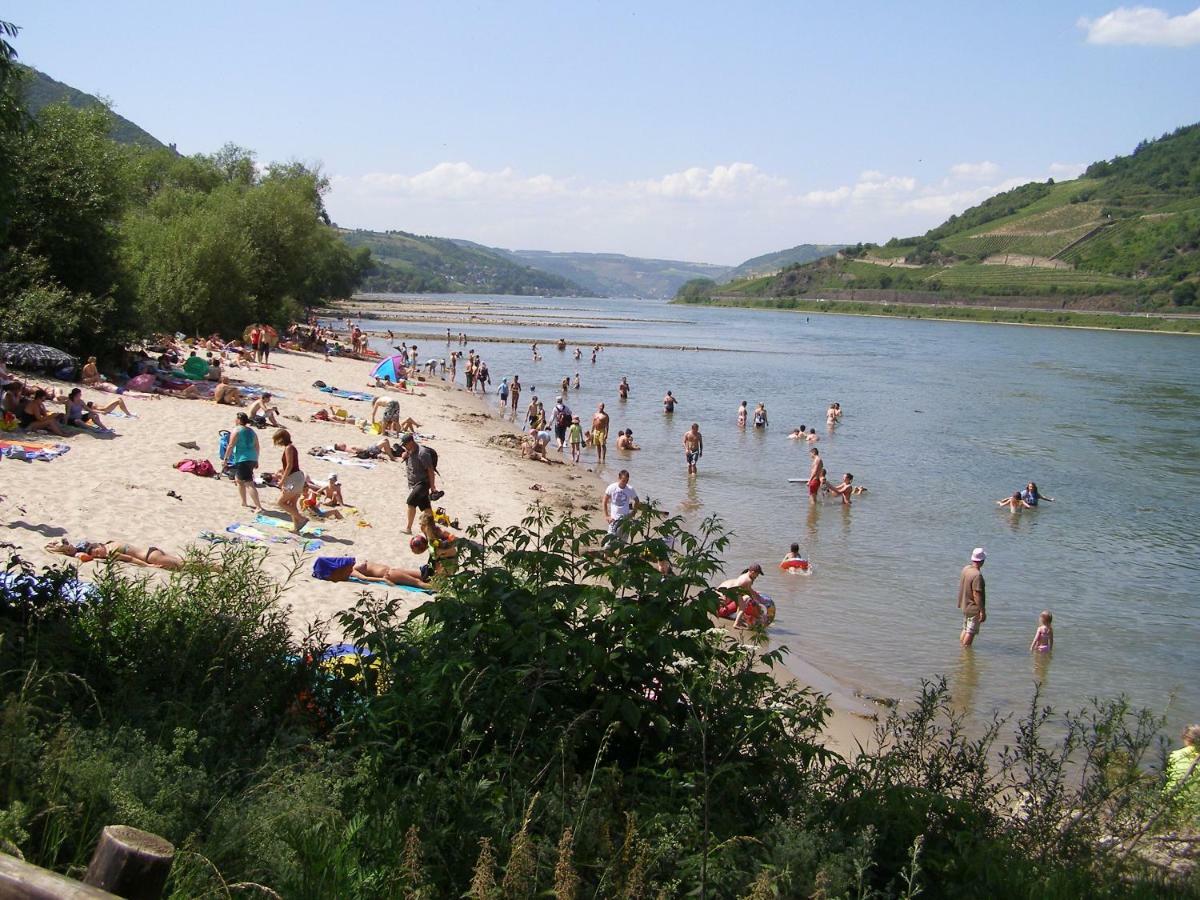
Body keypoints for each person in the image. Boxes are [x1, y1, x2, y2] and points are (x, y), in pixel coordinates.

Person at [47, 538, 185, 571]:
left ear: (97, 546)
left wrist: (148, 566)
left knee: (182, 565)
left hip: (150, 556)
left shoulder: (111, 552)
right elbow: (81, 555)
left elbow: (130, 559)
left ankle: (206, 566)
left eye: (96, 552)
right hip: (151, 551)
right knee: (182, 563)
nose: (98, 555)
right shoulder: (109, 544)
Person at [223, 412, 263, 510]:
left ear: (239, 420)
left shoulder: (236, 430)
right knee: (239, 480)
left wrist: (225, 459)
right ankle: (244, 502)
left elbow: (231, 445)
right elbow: (257, 446)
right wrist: (256, 459)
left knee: (249, 483)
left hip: (243, 459)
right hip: (252, 457)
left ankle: (258, 506)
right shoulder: (252, 431)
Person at [401, 432, 438, 534]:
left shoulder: (423, 453)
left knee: (411, 502)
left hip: (423, 483)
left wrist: (432, 486)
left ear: (411, 442)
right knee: (426, 507)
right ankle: (433, 528)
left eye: (405, 444)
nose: (404, 446)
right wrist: (405, 455)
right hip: (415, 484)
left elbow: (430, 470)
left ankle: (408, 528)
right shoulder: (410, 451)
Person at [273, 429, 308, 533]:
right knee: (292, 504)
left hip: (294, 478)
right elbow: (290, 466)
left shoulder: (289, 448)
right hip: (297, 477)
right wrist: (281, 471)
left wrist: (282, 480)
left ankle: (301, 519)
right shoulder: (291, 448)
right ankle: (296, 527)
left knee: (281, 502)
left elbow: (289, 465)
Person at [1165, 724, 1200, 824]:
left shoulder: (1175, 755)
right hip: (1194, 805)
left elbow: (1168, 777)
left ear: (1186, 739)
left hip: (1170, 800)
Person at [716, 564, 765, 629]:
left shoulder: (743, 576)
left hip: (717, 608)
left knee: (742, 600)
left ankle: (739, 619)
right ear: (753, 573)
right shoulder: (748, 580)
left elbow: (748, 590)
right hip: (721, 611)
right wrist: (759, 603)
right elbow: (750, 593)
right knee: (744, 604)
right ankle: (736, 624)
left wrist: (755, 593)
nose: (757, 576)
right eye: (757, 574)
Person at [957, 548, 987, 647]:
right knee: (971, 631)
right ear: (982, 561)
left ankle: (961, 647)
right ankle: (965, 652)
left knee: (965, 628)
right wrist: (982, 611)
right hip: (973, 608)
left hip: (964, 604)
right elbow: (976, 595)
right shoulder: (977, 575)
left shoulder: (966, 569)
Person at [603, 469, 639, 540]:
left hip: (625, 520)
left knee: (623, 541)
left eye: (627, 481)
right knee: (609, 542)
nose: (625, 483)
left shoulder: (630, 489)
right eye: (623, 480)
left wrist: (633, 512)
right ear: (619, 479)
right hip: (614, 519)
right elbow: (604, 501)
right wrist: (607, 516)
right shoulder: (612, 487)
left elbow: (637, 501)